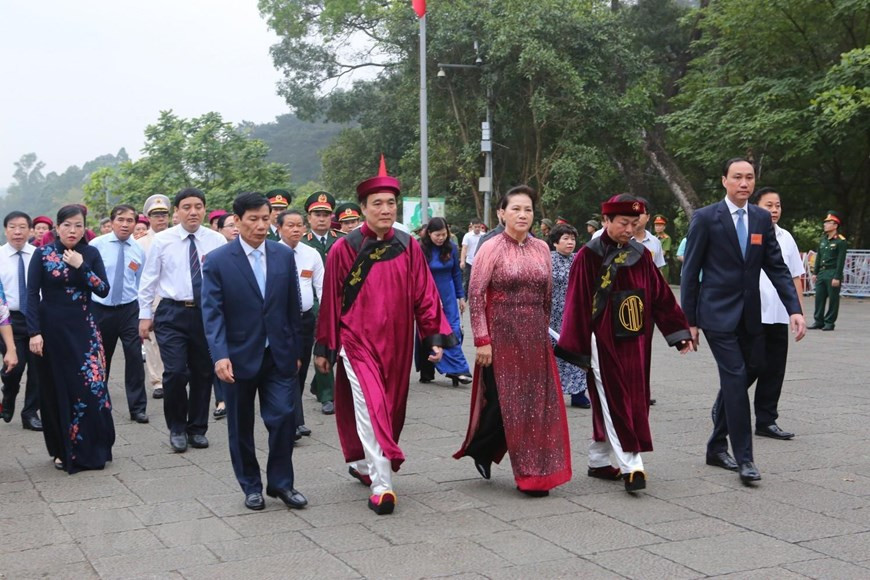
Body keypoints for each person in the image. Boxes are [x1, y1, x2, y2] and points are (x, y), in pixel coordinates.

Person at [313, 158, 455, 515]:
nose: (385, 209)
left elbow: (425, 296)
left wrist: (433, 337)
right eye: (377, 203)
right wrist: (327, 348)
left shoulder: (408, 246)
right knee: (371, 406)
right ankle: (382, 484)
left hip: (398, 342)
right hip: (357, 342)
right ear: (362, 209)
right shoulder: (344, 249)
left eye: (391, 202)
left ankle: (364, 464)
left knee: (390, 411)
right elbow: (331, 301)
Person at [681, 158, 805, 485]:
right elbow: (690, 274)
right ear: (724, 180)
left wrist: (794, 308)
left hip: (752, 315)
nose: (744, 183)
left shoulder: (762, 219)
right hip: (716, 315)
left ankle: (715, 445)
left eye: (749, 177)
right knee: (735, 378)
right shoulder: (706, 218)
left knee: (752, 369)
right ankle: (745, 459)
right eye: (737, 177)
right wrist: (689, 321)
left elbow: (776, 267)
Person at [556, 196, 692, 493]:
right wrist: (575, 345)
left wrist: (679, 332)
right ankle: (632, 465)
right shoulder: (588, 256)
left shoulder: (641, 255)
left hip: (637, 340)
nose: (629, 229)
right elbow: (577, 303)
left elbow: (660, 296)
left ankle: (599, 460)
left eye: (634, 223)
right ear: (606, 221)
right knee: (616, 398)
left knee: (634, 397)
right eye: (623, 223)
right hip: (602, 340)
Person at [454, 185, 572, 497]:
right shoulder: (490, 247)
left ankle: (536, 472)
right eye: (516, 209)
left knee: (537, 405)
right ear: (501, 213)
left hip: (534, 336)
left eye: (528, 210)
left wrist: (544, 333)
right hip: (500, 334)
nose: (522, 215)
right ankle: (487, 450)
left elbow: (547, 295)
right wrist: (482, 339)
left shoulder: (542, 249)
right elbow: (476, 294)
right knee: (505, 403)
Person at [202, 193, 307, 511]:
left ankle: (281, 483)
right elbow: (212, 313)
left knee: (283, 418)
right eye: (254, 219)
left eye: (266, 219)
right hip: (236, 356)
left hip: (277, 354)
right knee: (240, 424)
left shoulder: (282, 255)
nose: (261, 226)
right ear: (237, 220)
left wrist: (295, 348)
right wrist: (219, 355)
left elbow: (292, 306)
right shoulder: (218, 260)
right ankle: (250, 485)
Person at [138, 188, 226, 453]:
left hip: (206, 313)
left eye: (198, 206)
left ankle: (197, 428)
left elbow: (225, 280)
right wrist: (144, 316)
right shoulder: (163, 241)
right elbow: (149, 279)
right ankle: (177, 427)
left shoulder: (217, 241)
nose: (193, 212)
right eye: (186, 207)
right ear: (176, 212)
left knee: (203, 372)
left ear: (205, 210)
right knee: (175, 372)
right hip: (171, 313)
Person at [27, 204, 114, 473]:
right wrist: (34, 332)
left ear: (84, 226)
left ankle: (95, 448)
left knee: (92, 389)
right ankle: (61, 450)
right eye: (67, 225)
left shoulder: (90, 253)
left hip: (85, 331)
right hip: (51, 331)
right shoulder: (42, 254)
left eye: (78, 225)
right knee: (55, 390)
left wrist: (82, 267)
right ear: (57, 226)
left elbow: (103, 289)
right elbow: (31, 294)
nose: (72, 230)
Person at [750, 187, 804, 440]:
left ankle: (766, 420)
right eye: (768, 205)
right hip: (752, 312)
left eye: (778, 205)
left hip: (779, 314)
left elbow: (795, 276)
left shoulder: (786, 237)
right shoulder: (746, 231)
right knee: (750, 366)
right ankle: (724, 406)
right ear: (755, 206)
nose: (774, 210)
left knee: (774, 369)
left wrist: (798, 312)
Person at [90, 205, 149, 424]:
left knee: (134, 357)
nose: (125, 225)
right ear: (112, 222)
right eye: (121, 220)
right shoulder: (97, 245)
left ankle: (138, 408)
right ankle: (99, 404)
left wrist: (144, 313)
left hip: (129, 309)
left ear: (136, 223)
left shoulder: (138, 249)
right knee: (101, 359)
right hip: (101, 308)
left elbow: (141, 283)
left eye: (130, 221)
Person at [277, 209, 324, 439]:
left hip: (305, 319)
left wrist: (325, 317)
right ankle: (290, 421)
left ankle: (297, 418)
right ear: (279, 229)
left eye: (299, 225)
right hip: (281, 321)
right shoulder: (271, 252)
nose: (296, 229)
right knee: (287, 370)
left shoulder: (311, 254)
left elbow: (322, 287)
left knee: (302, 368)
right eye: (290, 225)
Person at [303, 191, 345, 415]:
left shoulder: (342, 240)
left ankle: (318, 383)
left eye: (326, 214)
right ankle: (327, 395)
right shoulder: (301, 243)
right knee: (323, 346)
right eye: (317, 214)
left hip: (340, 302)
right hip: (313, 305)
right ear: (308, 218)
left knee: (339, 349)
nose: (321, 218)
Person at [418, 218, 472, 386]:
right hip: (429, 295)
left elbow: (456, 273)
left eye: (444, 234)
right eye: (437, 235)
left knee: (453, 330)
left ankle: (458, 369)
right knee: (432, 331)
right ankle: (451, 368)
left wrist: (461, 297)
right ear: (429, 234)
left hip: (448, 294)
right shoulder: (421, 249)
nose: (441, 238)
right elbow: (418, 275)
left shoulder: (451, 249)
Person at [0, 211, 42, 430]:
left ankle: (30, 413)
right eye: (13, 227)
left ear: (31, 230)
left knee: (37, 369)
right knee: (15, 366)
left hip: (35, 318)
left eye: (23, 227)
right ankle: (8, 396)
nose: (18, 232)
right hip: (7, 320)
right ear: (5, 230)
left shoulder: (39, 255)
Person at [547, 223, 589, 409]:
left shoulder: (579, 259)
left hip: (573, 313)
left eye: (572, 239)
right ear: (555, 242)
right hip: (551, 315)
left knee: (575, 352)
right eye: (565, 239)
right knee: (551, 354)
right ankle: (550, 392)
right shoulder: (547, 259)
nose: (570, 242)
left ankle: (578, 393)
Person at [136, 194, 172, 400]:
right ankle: (157, 380)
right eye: (156, 215)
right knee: (151, 341)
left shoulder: (175, 237)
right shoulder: (140, 244)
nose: (160, 219)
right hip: (151, 299)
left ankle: (170, 376)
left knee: (171, 341)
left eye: (163, 214)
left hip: (170, 298)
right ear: (148, 217)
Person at [809, 211, 847, 331]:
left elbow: (841, 261)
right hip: (822, 272)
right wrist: (815, 272)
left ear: (835, 225)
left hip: (832, 272)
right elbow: (819, 257)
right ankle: (818, 320)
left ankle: (830, 322)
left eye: (828, 223)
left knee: (833, 299)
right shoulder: (823, 239)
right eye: (825, 223)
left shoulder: (840, 241)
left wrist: (837, 276)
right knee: (819, 297)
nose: (825, 225)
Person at [460, 219, 484, 297]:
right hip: (469, 262)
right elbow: (464, 248)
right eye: (475, 227)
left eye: (478, 227)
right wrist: (462, 261)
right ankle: (464, 298)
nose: (477, 228)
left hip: (481, 262)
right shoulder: (468, 236)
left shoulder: (484, 235)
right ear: (472, 226)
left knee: (480, 281)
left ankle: (478, 296)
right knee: (466, 280)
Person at [653, 215, 672, 283]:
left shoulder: (666, 238)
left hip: (662, 265)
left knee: (662, 284)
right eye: (656, 225)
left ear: (664, 227)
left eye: (660, 225)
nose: (658, 227)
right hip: (653, 264)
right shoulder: (653, 237)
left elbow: (663, 252)